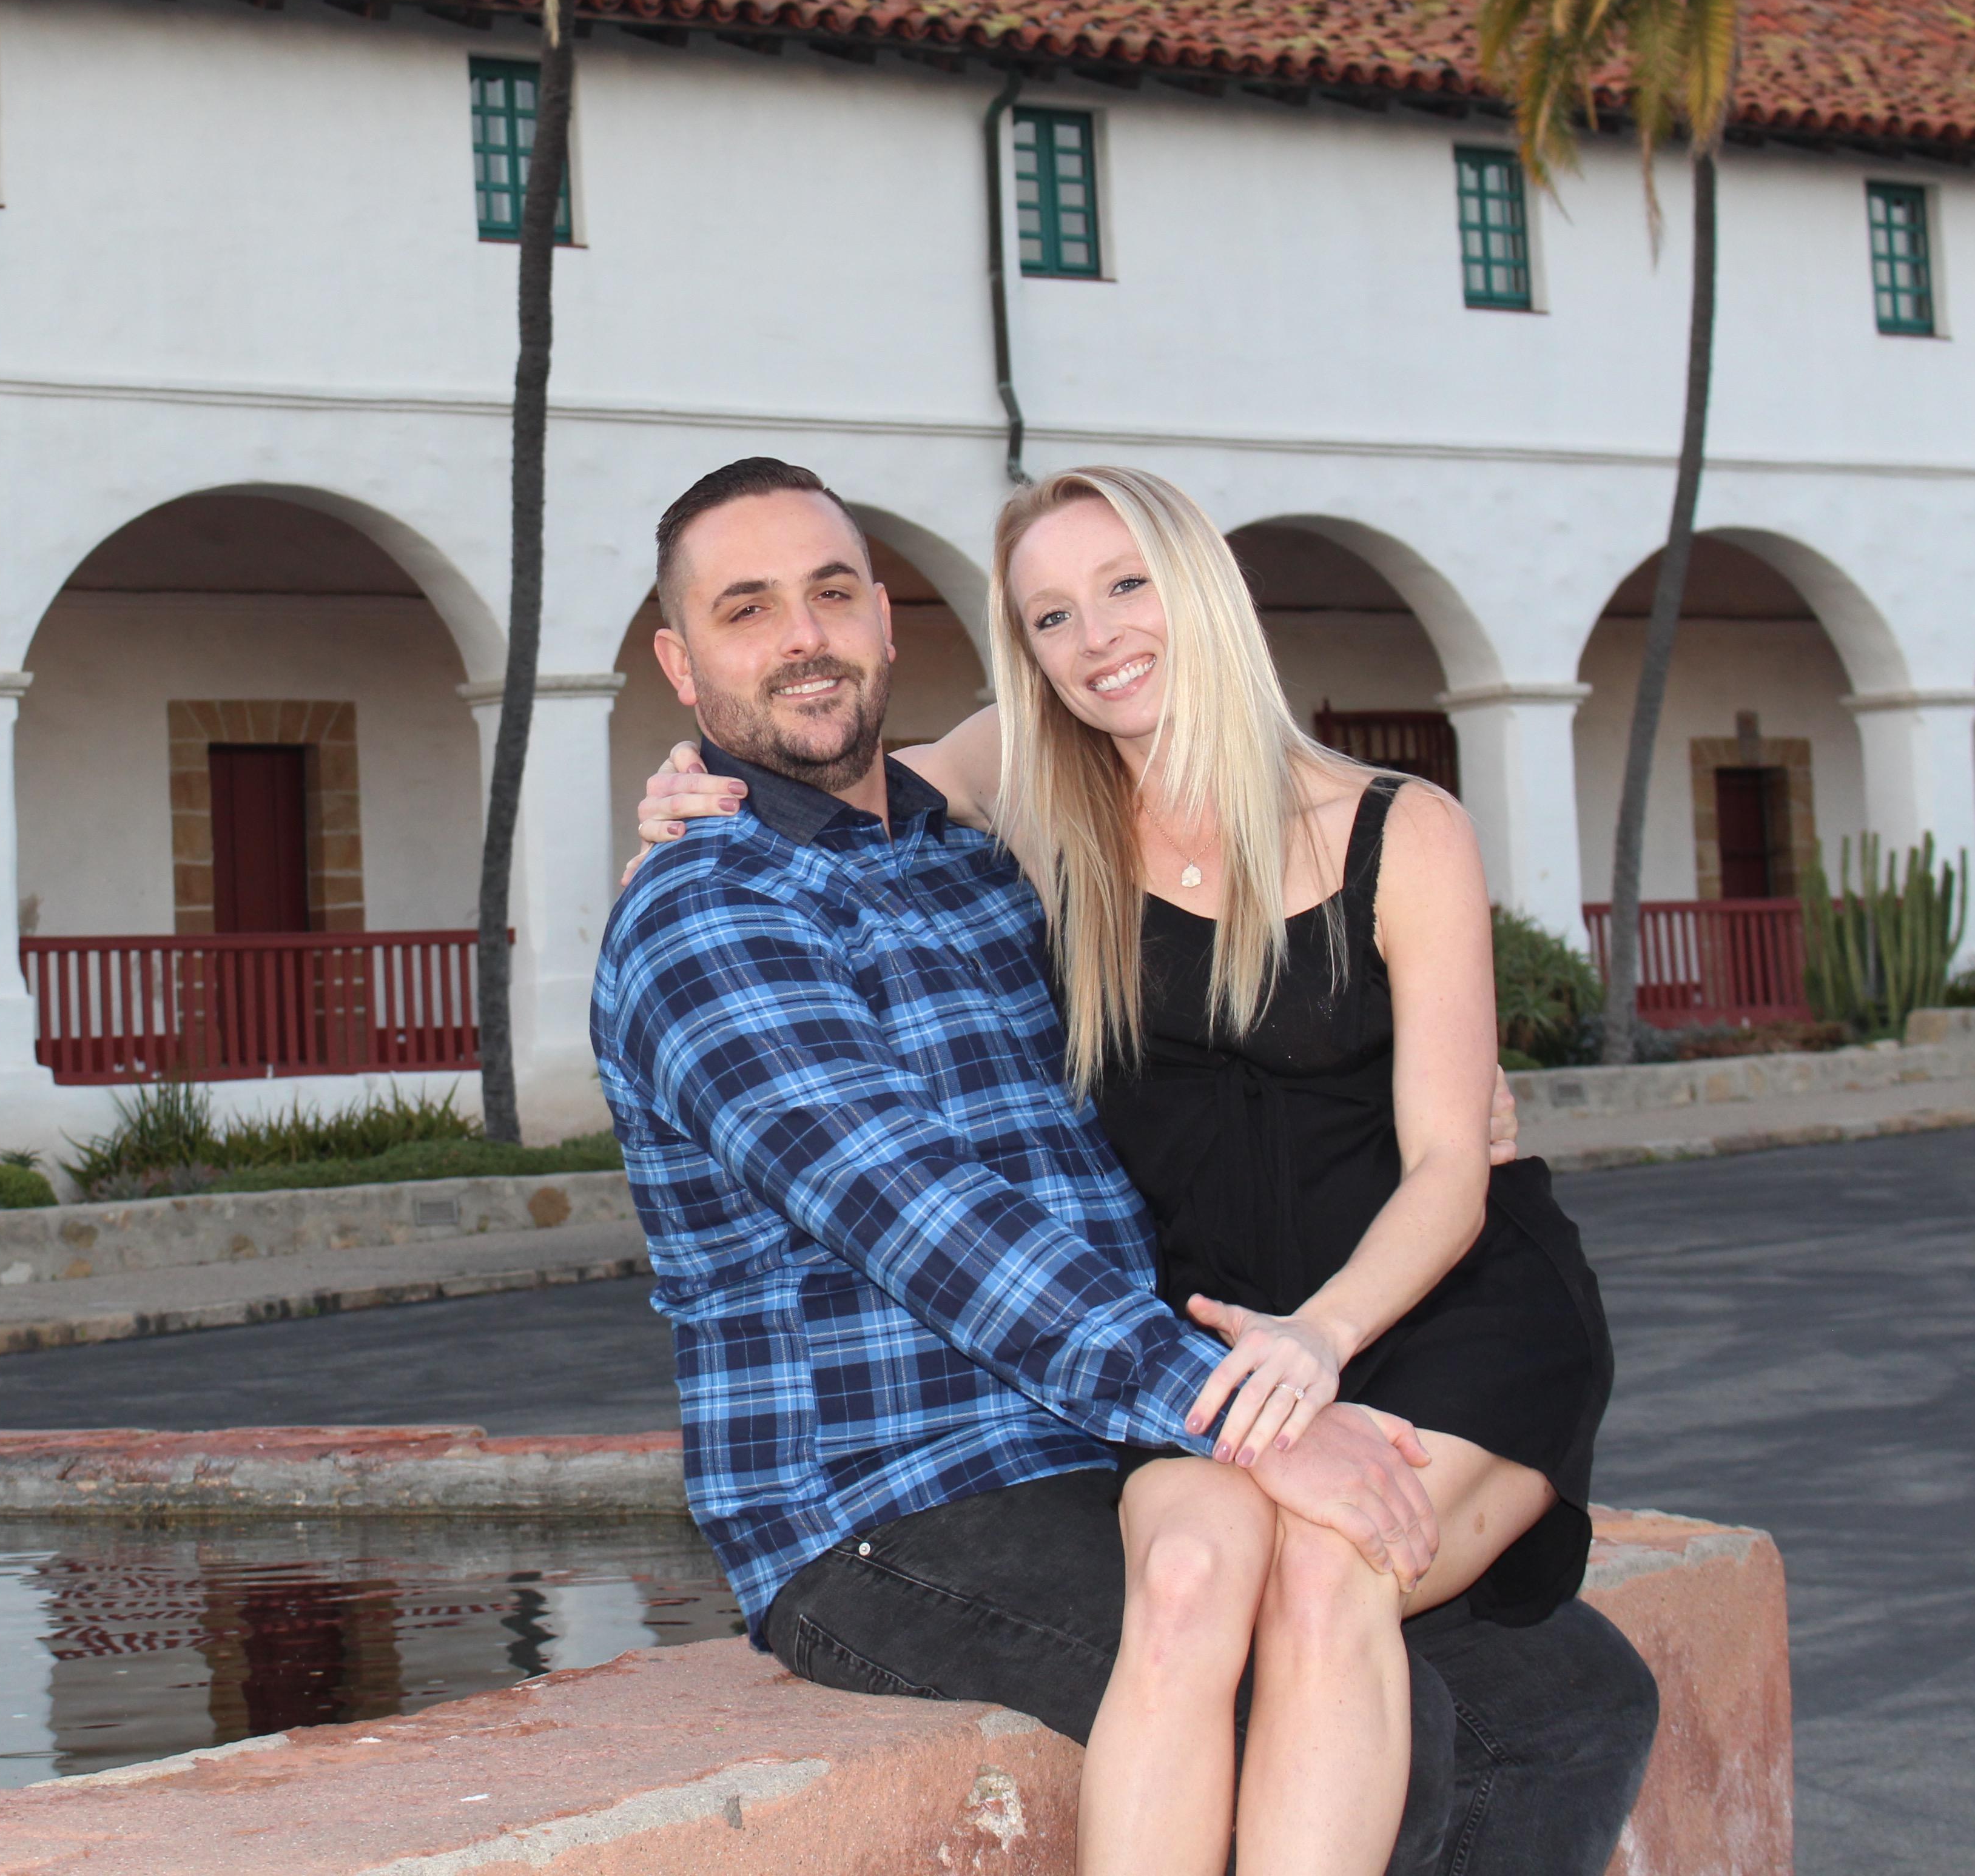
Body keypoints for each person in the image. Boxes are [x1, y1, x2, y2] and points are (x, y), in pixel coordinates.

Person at [596, 456, 1656, 1876]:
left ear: (889, 623)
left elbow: (1195, 1060)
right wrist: (1253, 1418)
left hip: (1111, 1437)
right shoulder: (709, 917)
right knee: (1358, 1723)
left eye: (832, 593)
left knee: (1574, 1701)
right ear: (679, 665)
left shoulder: (986, 857)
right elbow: (925, 1221)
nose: (803, 637)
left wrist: (1422, 1067)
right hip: (892, 1500)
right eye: (746, 610)